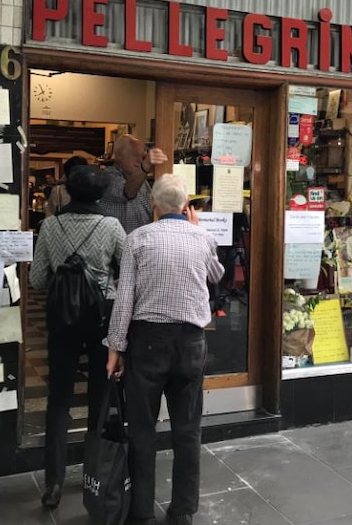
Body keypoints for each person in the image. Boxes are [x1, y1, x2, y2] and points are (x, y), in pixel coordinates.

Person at [105, 174, 224, 525]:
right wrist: (199, 230)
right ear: (186, 206)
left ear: (153, 205)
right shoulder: (203, 238)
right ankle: (183, 510)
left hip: (147, 342)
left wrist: (115, 347)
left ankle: (141, 512)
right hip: (190, 342)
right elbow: (216, 276)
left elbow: (124, 297)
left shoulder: (138, 238)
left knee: (142, 428)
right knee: (187, 429)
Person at [29, 166, 126, 510]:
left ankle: (53, 483)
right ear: (101, 194)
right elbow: (127, 271)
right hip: (101, 319)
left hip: (61, 321)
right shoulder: (111, 226)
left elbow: (37, 279)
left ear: (67, 192)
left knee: (58, 399)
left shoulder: (50, 225)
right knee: (100, 398)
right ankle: (92, 475)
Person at [98, 134, 168, 234]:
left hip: (143, 240)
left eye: (142, 156)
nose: (139, 160)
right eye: (135, 155)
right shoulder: (108, 176)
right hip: (120, 244)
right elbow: (128, 192)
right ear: (119, 155)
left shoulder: (142, 180)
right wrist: (145, 166)